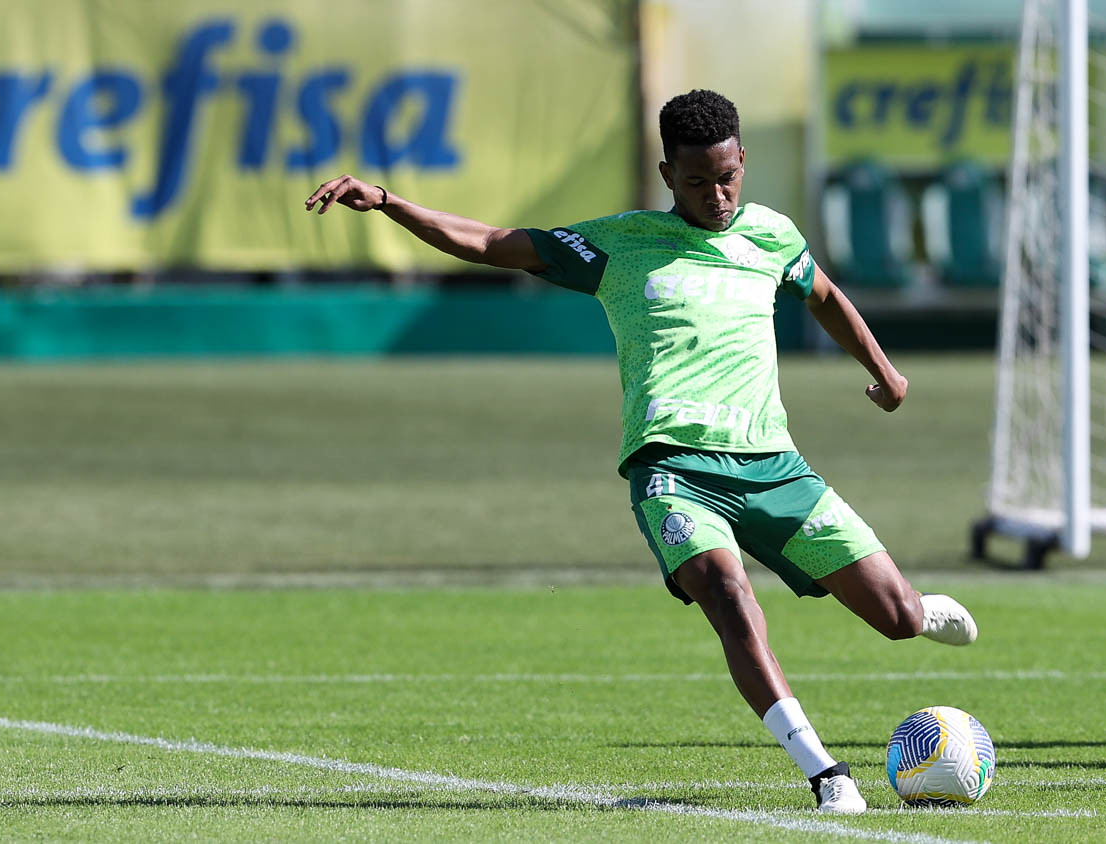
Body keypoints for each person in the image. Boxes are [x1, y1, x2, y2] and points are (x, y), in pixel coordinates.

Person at [305, 88, 977, 814]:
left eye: (727, 178)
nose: (716, 196)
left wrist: (884, 370)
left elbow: (823, 294)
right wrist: (389, 202)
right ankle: (826, 774)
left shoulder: (773, 236)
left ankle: (920, 609)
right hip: (672, 469)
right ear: (667, 176)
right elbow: (495, 242)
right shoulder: (620, 244)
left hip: (775, 467)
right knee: (728, 596)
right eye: (696, 182)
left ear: (743, 162)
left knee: (896, 618)